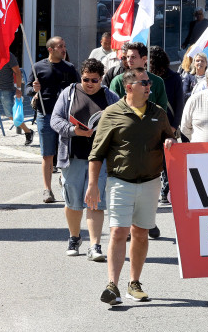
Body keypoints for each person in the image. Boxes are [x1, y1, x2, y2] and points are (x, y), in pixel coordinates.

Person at [87, 68, 176, 305]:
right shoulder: (112, 113)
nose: (149, 86)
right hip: (119, 182)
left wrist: (171, 140)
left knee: (141, 232)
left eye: (149, 82)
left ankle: (134, 283)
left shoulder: (159, 112)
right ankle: (112, 285)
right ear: (128, 87)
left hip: (150, 182)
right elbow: (97, 153)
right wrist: (93, 184)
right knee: (118, 231)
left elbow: (171, 139)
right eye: (143, 83)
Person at [50, 58, 119, 260]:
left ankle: (95, 245)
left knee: (95, 201)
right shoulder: (69, 93)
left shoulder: (110, 97)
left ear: (101, 79)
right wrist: (73, 130)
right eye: (86, 79)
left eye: (94, 80)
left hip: (100, 157)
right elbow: (55, 119)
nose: (89, 84)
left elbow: (122, 120)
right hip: (73, 156)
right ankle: (74, 237)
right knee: (72, 200)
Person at [27, 37, 80, 203]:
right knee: (47, 154)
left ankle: (65, 181)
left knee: (66, 152)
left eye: (64, 46)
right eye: (60, 47)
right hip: (45, 114)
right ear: (50, 49)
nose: (64, 49)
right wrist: (32, 89)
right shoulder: (38, 67)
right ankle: (47, 190)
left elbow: (79, 88)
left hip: (65, 117)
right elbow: (28, 88)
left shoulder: (70, 68)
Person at [149, 47, 184, 205]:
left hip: (168, 124)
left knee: (168, 160)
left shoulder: (174, 78)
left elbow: (179, 104)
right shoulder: (146, 79)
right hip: (150, 125)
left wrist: (175, 126)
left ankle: (167, 190)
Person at [0, 50, 34, 146]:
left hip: (7, 90)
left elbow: (17, 72)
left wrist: (18, 89)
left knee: (11, 115)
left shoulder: (9, 56)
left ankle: (28, 132)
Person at [108, 43, 169, 111]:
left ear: (144, 58)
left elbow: (162, 109)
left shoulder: (157, 81)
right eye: (127, 57)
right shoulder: (117, 81)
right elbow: (113, 109)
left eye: (133, 57)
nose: (129, 60)